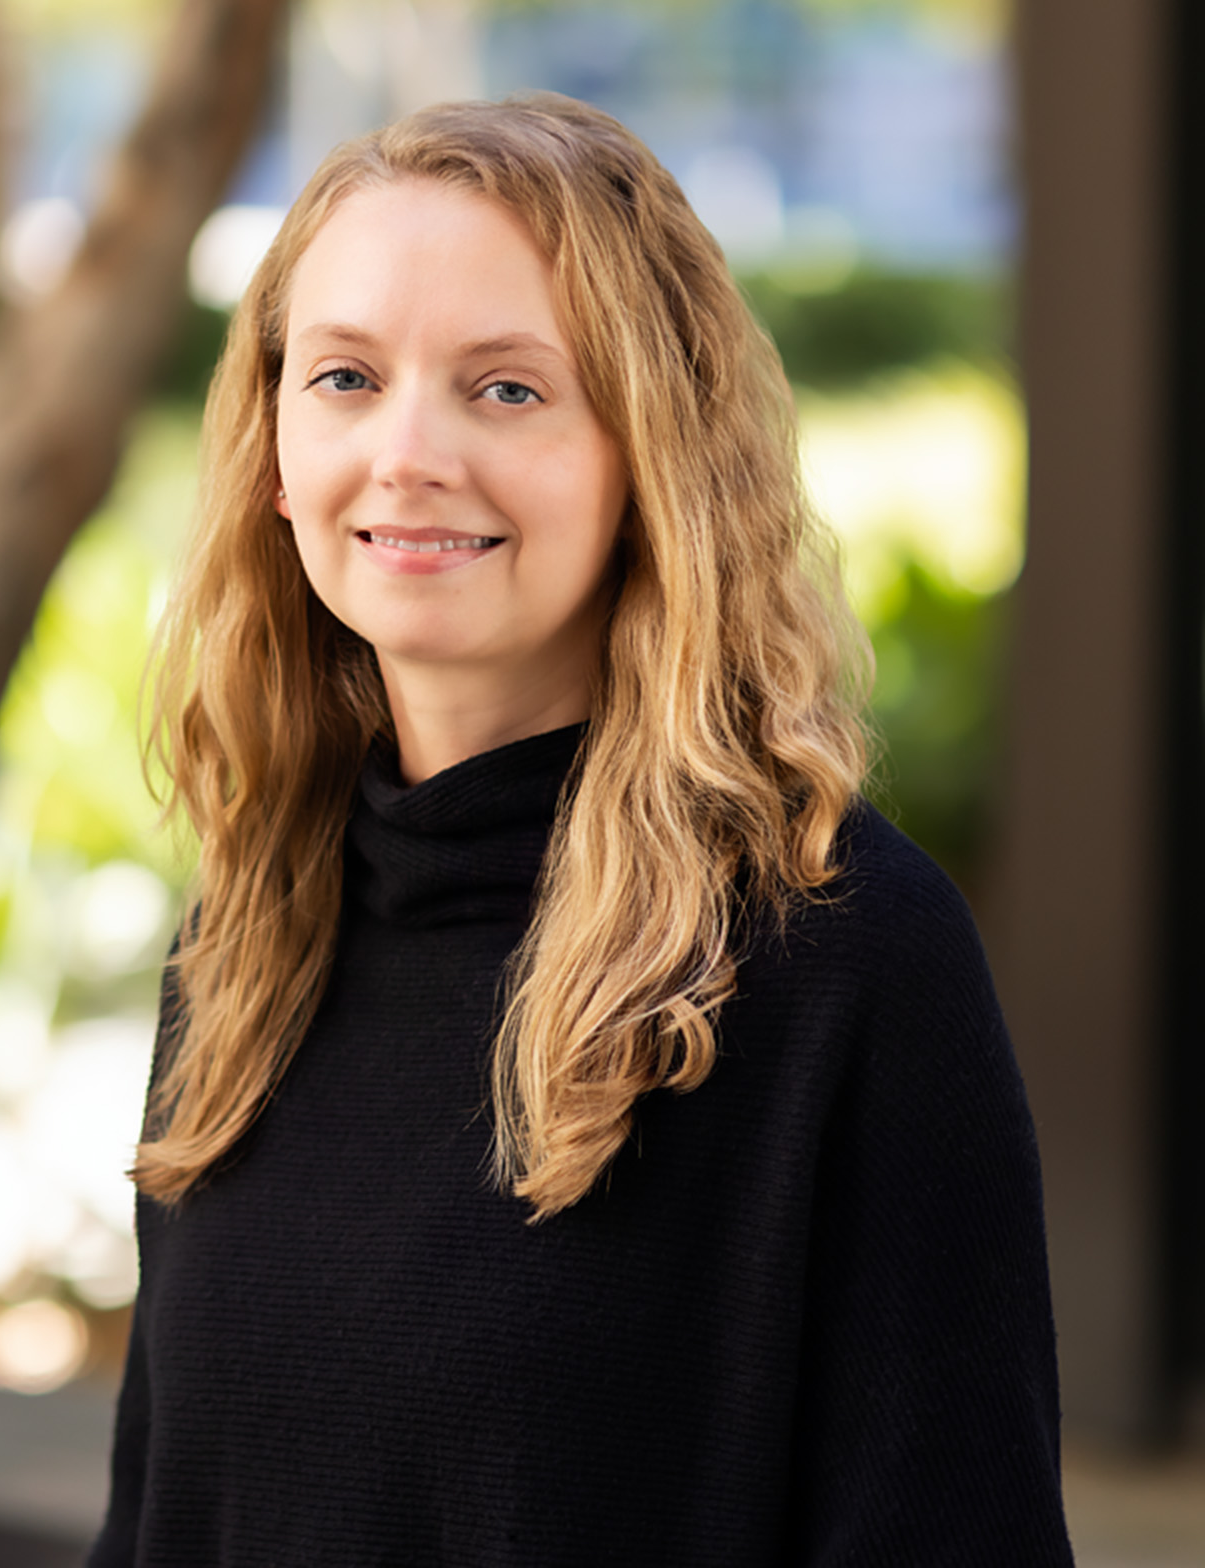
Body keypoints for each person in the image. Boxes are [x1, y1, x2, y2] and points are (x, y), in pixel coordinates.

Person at [91, 94, 1070, 1566]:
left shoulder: (841, 955)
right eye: (346, 376)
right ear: (275, 450)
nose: (407, 453)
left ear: (651, 453)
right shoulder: (252, 931)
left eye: (506, 389)